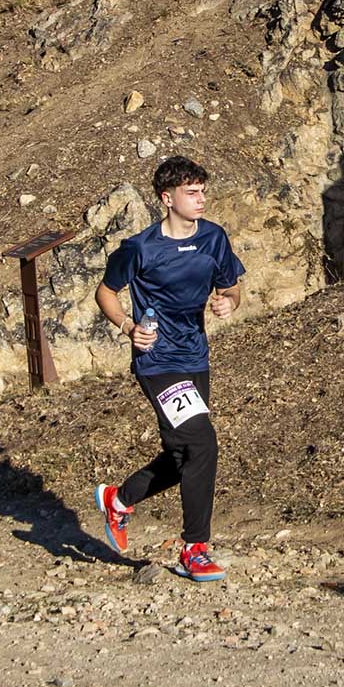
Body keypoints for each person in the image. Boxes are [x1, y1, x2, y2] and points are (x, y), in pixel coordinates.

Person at [93, 156, 244, 582]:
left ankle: (118, 500)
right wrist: (128, 327)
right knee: (203, 444)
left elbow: (232, 287)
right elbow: (105, 292)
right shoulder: (140, 248)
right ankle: (194, 549)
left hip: (195, 357)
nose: (201, 199)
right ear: (167, 198)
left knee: (184, 458)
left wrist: (229, 303)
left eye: (203, 191)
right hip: (157, 362)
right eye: (191, 193)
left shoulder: (213, 238)